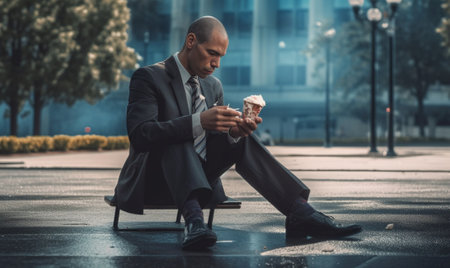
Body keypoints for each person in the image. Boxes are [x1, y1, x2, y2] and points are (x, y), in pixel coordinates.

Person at [113, 16, 362, 250]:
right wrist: (198, 121)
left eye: (221, 56)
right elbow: (141, 135)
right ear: (191, 42)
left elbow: (212, 142)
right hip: (153, 181)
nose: (217, 63)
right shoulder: (149, 77)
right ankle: (194, 221)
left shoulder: (213, 85)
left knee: (242, 139)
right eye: (212, 53)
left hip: (200, 180)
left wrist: (233, 133)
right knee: (178, 133)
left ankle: (300, 212)